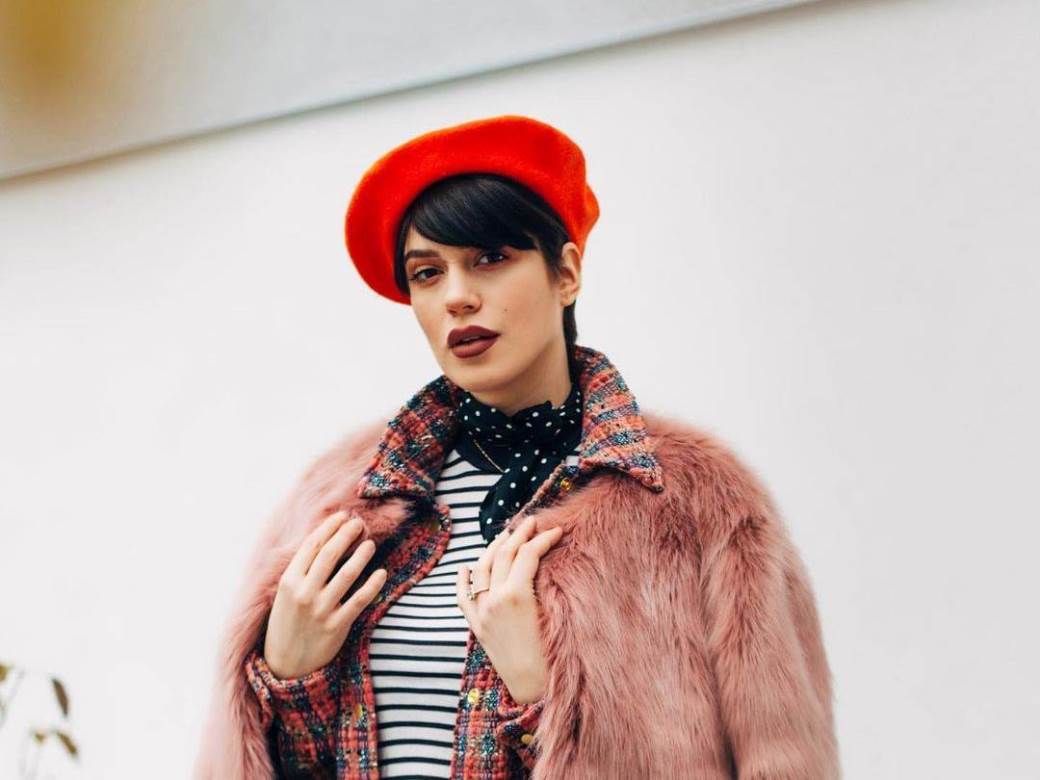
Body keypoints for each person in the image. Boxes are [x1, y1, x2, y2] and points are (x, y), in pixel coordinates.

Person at [194, 114, 841, 779]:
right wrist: (289, 680)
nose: (457, 297)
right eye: (427, 273)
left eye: (490, 259)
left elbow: (787, 764)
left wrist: (542, 693)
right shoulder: (335, 497)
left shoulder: (702, 501)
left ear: (566, 273)